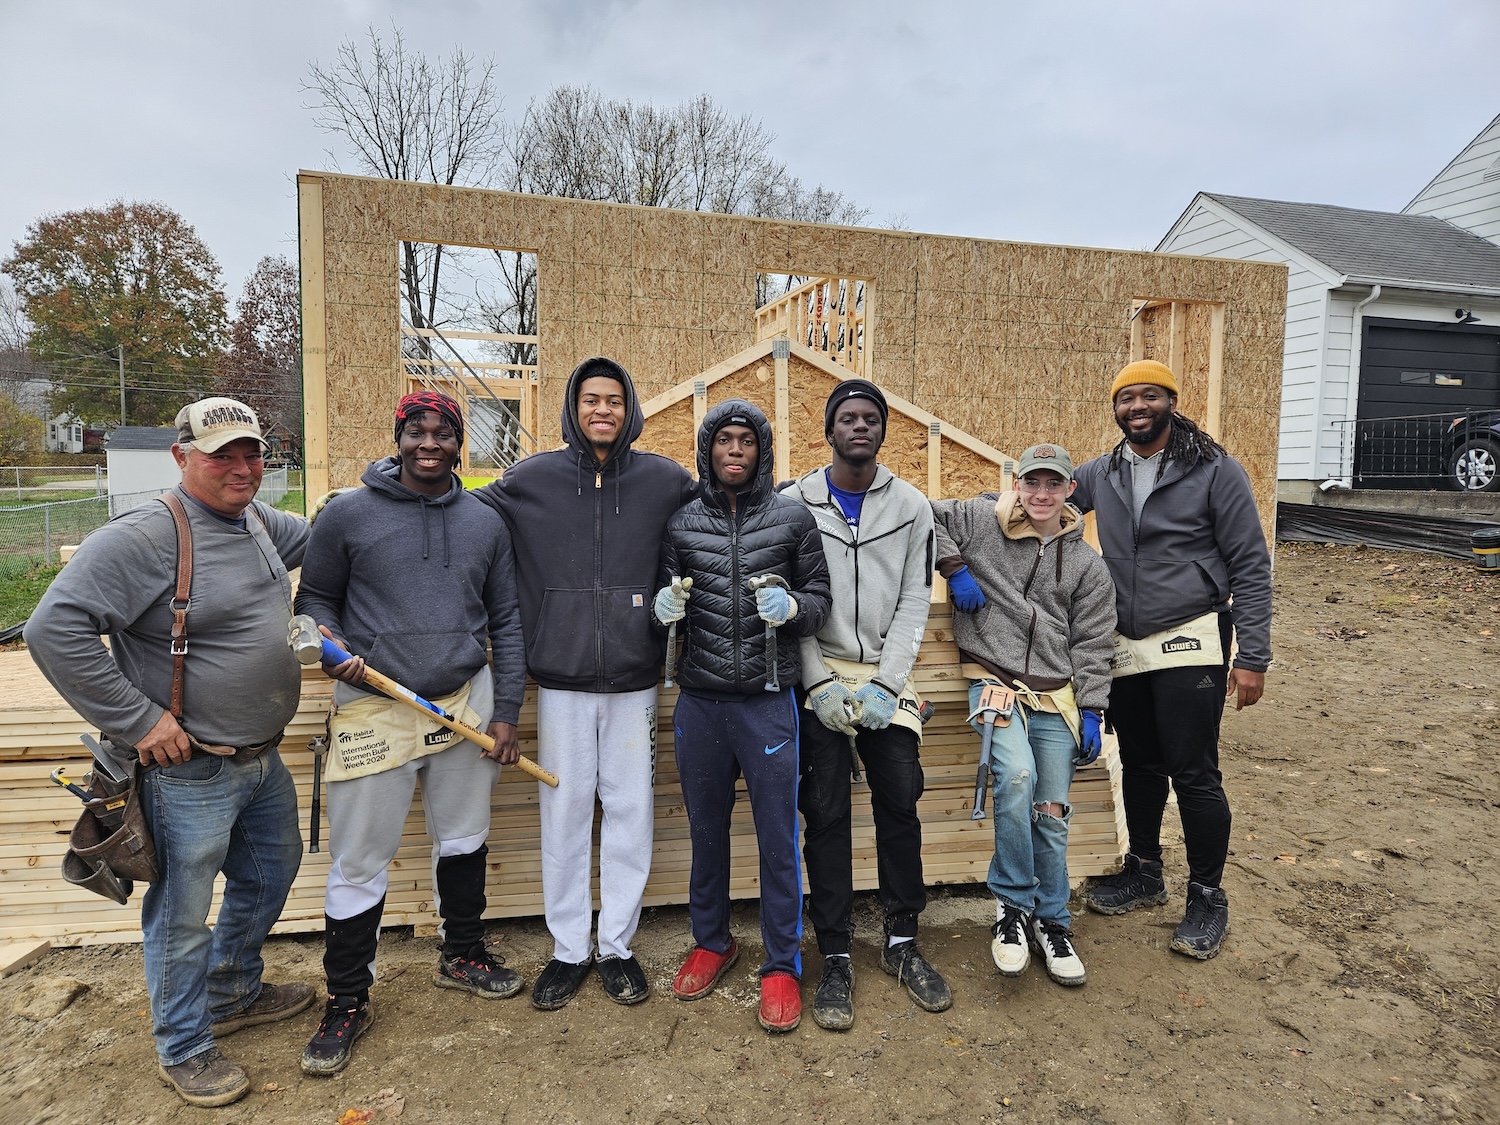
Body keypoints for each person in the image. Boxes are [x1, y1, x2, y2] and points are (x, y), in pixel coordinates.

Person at [26, 398, 313, 1108]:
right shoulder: (149, 536)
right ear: (182, 456)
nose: (244, 468)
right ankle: (184, 1043)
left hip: (259, 758)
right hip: (189, 769)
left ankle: (232, 992)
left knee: (274, 871)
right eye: (223, 455)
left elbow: (328, 535)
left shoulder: (254, 519)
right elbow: (52, 627)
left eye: (253, 453)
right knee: (182, 913)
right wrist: (139, 717)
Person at [293, 390, 526, 1076]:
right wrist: (329, 640)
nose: (430, 442)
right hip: (377, 705)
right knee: (360, 860)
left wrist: (505, 710)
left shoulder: (484, 521)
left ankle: (462, 953)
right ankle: (346, 1000)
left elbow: (507, 620)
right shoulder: (346, 515)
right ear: (398, 437)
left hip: (462, 700)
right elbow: (316, 599)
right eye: (417, 431)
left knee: (464, 835)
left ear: (461, 444)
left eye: (444, 432)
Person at [472, 357, 697, 1010]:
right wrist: (373, 489)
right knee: (565, 814)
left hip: (635, 680)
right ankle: (570, 947)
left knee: (630, 813)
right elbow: (452, 507)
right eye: (591, 399)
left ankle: (617, 946)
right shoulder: (531, 478)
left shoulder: (662, 479)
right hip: (562, 681)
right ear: (573, 407)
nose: (603, 409)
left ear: (630, 410)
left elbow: (726, 506)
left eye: (615, 400)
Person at [1072, 360, 1271, 961]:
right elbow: (1045, 494)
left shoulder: (1214, 469)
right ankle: (1145, 870)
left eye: (1150, 395)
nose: (1138, 406)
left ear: (1171, 401)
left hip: (1191, 635)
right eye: (1127, 397)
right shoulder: (1102, 472)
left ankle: (1207, 896)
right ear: (1115, 407)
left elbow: (1250, 564)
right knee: (1138, 762)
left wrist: (1254, 654)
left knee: (1193, 771)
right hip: (1125, 640)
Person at [652, 398, 831, 1034]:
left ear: (761, 450)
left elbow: (819, 599)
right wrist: (661, 611)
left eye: (745, 441)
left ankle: (782, 963)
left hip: (766, 701)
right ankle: (713, 941)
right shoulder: (680, 525)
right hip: (699, 702)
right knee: (706, 829)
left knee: (778, 836)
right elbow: (664, 597)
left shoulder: (791, 520)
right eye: (723, 440)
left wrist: (795, 608)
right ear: (708, 450)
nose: (734, 450)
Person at [780, 379, 950, 1030]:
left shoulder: (910, 506)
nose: (859, 426)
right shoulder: (796, 503)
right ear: (829, 430)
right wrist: (817, 682)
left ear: (883, 430)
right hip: (817, 670)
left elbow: (913, 601)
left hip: (884, 673)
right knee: (822, 809)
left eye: (870, 418)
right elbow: (789, 599)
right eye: (847, 417)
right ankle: (837, 951)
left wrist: (887, 684)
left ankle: (903, 940)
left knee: (899, 796)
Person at [931, 443, 1116, 988]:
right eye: (1031, 483)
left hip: (1056, 692)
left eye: (1052, 485)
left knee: (1051, 810)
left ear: (1069, 492)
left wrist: (1092, 708)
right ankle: (1011, 910)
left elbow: (1095, 639)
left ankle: (1052, 922)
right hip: (995, 680)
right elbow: (924, 512)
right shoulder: (982, 520)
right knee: (1015, 776)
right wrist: (955, 566)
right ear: (1016, 481)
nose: (1040, 495)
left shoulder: (1086, 563)